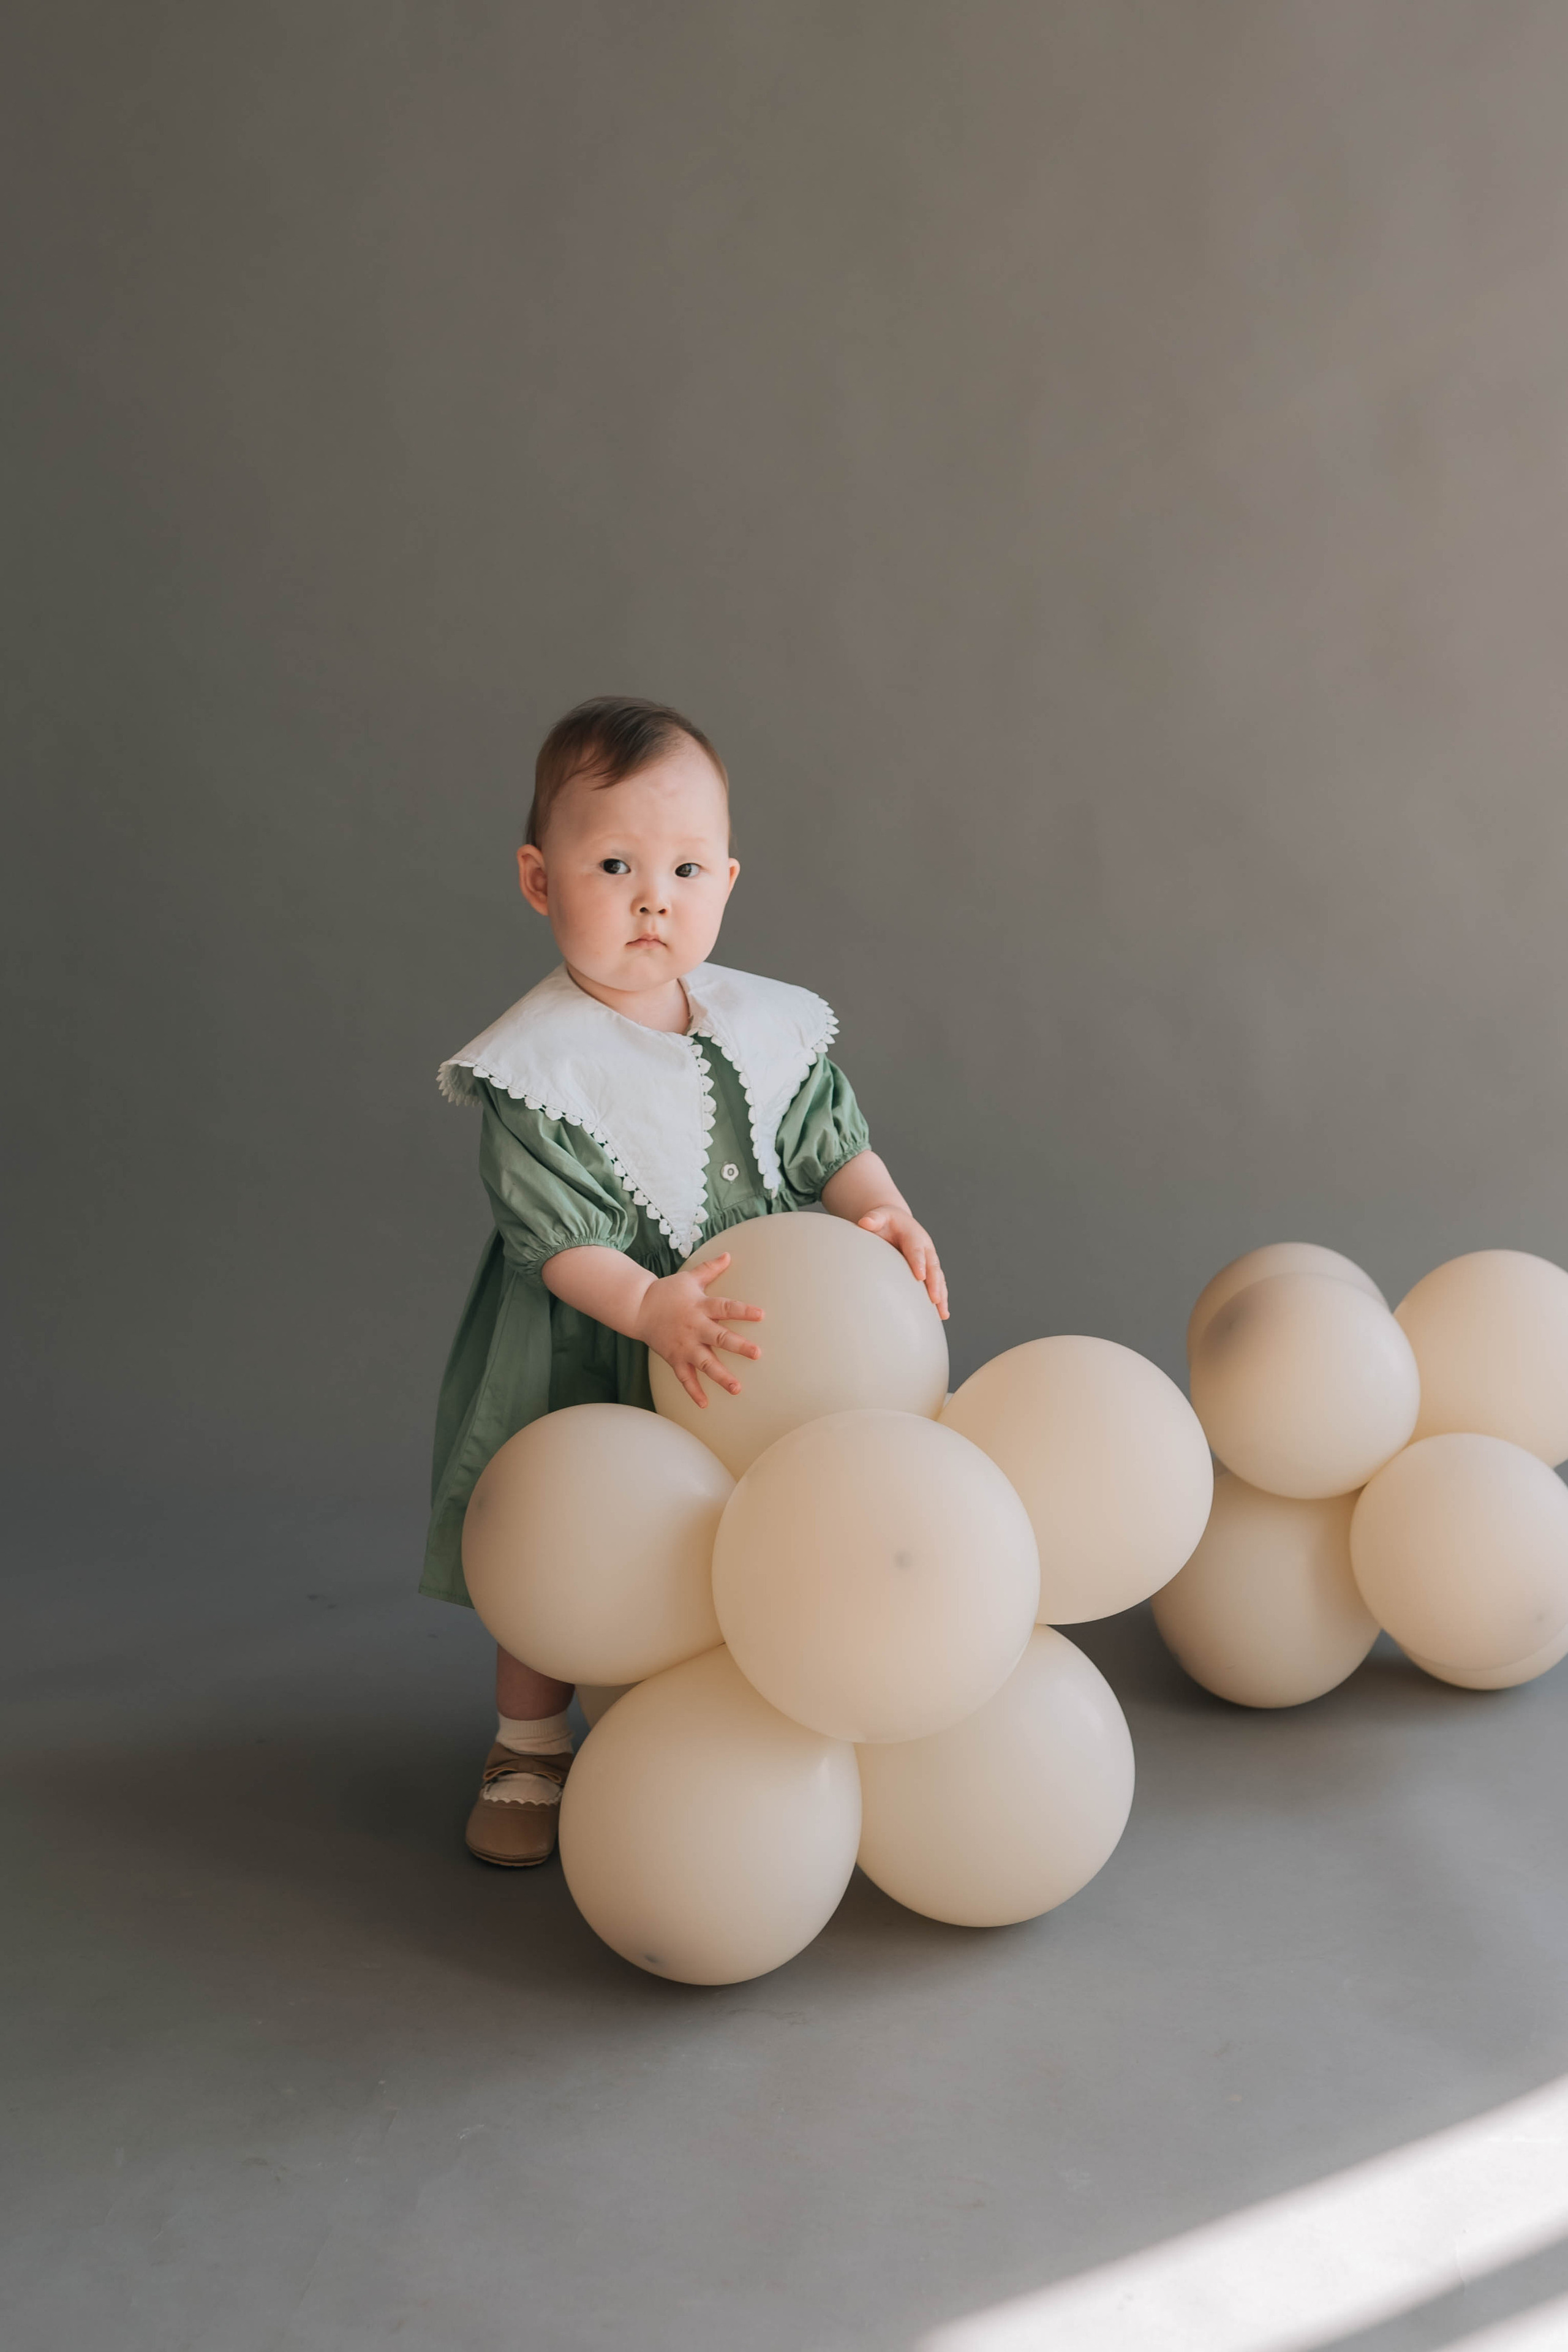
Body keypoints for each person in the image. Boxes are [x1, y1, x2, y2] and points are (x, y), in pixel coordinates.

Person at [423, 696, 948, 1864]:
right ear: (538, 878)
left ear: (727, 881)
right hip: (598, 1340)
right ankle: (530, 1742)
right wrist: (647, 1307)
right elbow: (554, 1239)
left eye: (686, 867)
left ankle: (755, 1704)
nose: (654, 895)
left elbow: (828, 1139)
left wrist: (883, 1209)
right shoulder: (537, 1067)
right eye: (613, 863)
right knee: (568, 1534)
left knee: (758, 1524)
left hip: (750, 1344)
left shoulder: (760, 1026)